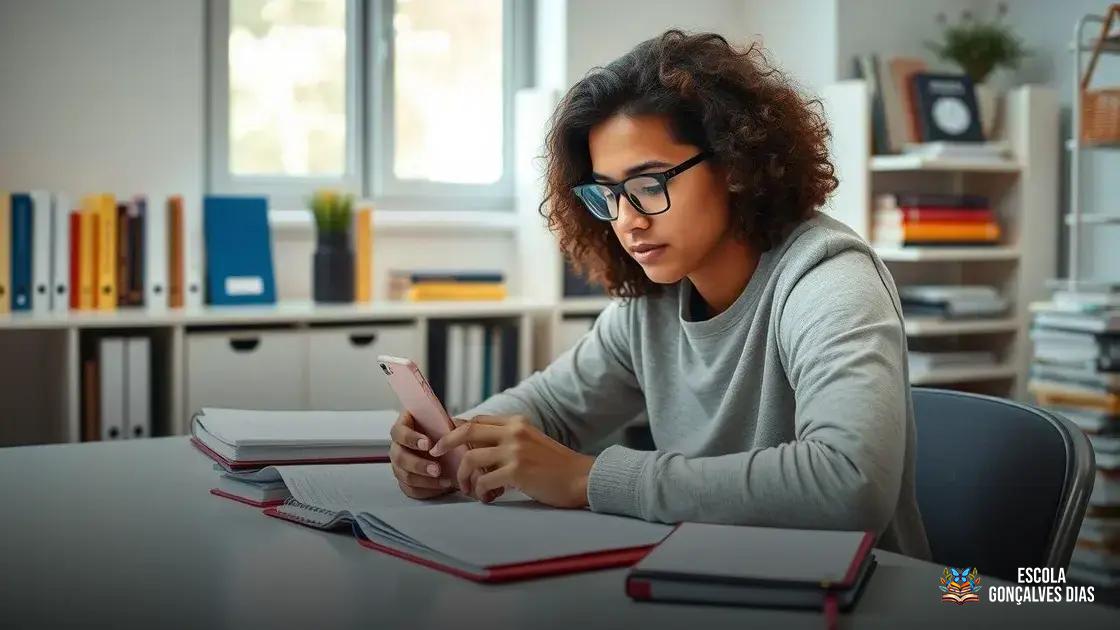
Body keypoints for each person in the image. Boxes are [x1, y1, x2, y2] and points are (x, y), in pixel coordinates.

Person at [388, 30, 930, 559]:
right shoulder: (654, 299)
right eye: (608, 194)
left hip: (870, 595)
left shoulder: (829, 280)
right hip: (713, 579)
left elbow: (849, 484)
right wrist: (453, 444)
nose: (627, 221)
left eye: (650, 185)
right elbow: (550, 407)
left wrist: (588, 478)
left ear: (734, 165)